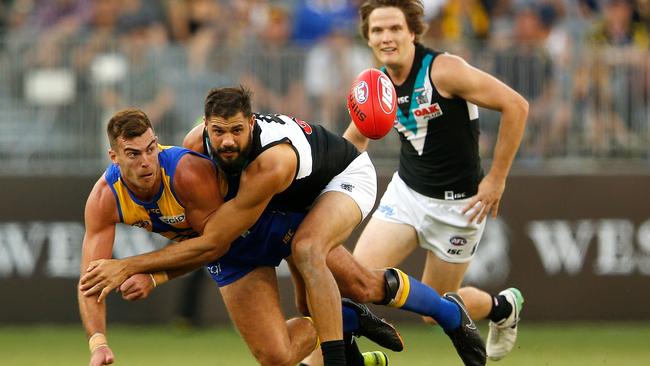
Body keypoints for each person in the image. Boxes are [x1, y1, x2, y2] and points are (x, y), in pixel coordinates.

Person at [80, 87, 487, 365]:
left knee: (350, 277)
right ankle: (343, 320)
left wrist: (137, 267)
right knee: (276, 355)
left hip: (304, 198)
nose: (147, 162)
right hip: (241, 234)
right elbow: (91, 280)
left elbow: (212, 244)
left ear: (252, 124)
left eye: (151, 149)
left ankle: (443, 315)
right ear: (114, 156)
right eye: (133, 155)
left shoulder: (197, 171)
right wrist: (98, 341)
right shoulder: (109, 196)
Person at [343, 0, 529, 362]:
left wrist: (496, 178)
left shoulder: (444, 70)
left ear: (412, 32)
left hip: (459, 208)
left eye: (395, 28)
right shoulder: (376, 83)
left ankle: (501, 307)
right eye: (378, 30)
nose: (387, 37)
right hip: (407, 195)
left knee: (436, 312)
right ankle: (352, 358)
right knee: (352, 282)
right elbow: (354, 139)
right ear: (368, 38)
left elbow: (516, 106)